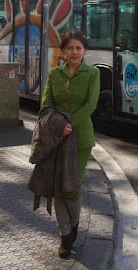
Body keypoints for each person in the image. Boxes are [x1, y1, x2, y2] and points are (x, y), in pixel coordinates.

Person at [40, 30, 99, 259]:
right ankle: (65, 234)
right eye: (70, 48)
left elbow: (90, 105)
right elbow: (46, 103)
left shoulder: (92, 73)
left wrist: (69, 124)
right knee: (58, 187)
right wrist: (58, 125)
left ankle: (74, 225)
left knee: (72, 186)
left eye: (78, 48)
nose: (74, 52)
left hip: (81, 139)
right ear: (63, 51)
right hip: (56, 138)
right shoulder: (54, 73)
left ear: (84, 51)